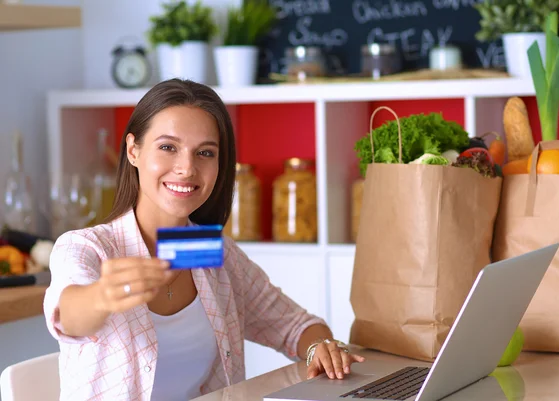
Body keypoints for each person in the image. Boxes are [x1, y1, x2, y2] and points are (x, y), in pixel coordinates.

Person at [43, 78, 365, 401]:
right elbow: (68, 316)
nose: (187, 168)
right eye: (168, 147)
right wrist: (101, 296)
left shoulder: (217, 255)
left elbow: (297, 325)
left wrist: (319, 348)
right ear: (133, 150)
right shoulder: (86, 248)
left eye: (205, 153)